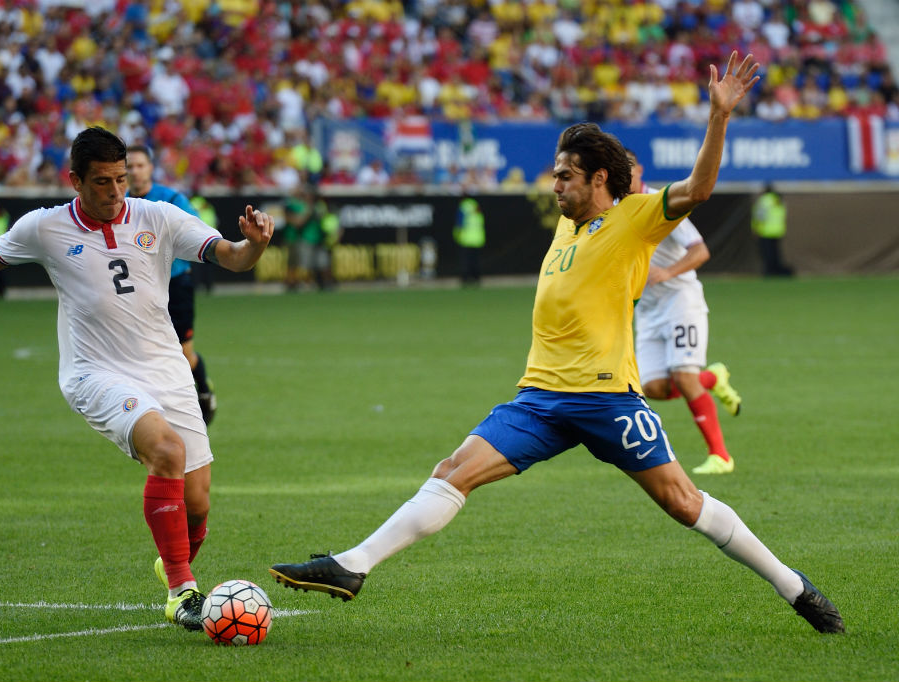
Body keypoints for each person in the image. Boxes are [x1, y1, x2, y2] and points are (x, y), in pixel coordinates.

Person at [269, 54, 844, 634]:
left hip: (605, 399)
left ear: (598, 180)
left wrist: (718, 117)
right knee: (453, 469)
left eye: (566, 174)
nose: (555, 183)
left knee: (683, 503)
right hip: (540, 398)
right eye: (556, 172)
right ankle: (353, 564)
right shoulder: (567, 225)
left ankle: (794, 587)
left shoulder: (635, 219)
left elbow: (699, 187)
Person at [0, 127, 275, 632]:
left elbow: (229, 256)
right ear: (75, 181)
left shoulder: (156, 216)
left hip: (166, 370)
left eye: (120, 179)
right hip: (95, 372)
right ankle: (182, 591)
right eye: (101, 182)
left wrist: (254, 247)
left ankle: (172, 559)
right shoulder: (44, 228)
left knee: (197, 500)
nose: (116, 192)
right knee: (166, 451)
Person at [627, 149, 742, 475]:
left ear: (640, 170)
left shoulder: (662, 204)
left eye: (629, 169)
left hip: (680, 301)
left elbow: (700, 250)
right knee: (653, 388)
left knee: (684, 377)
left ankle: (721, 456)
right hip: (648, 310)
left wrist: (667, 272)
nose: (625, 176)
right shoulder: (618, 210)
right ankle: (713, 378)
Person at [126, 145, 218, 424]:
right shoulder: (119, 204)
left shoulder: (171, 199)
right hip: (141, 288)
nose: (134, 171)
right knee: (144, 351)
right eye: (129, 166)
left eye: (140, 165)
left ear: (151, 168)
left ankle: (203, 390)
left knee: (182, 352)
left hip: (175, 282)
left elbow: (196, 231)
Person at [752, 184, 793, 277]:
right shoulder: (779, 200)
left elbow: (759, 216)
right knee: (776, 253)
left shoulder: (764, 200)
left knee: (767, 253)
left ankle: (770, 271)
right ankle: (777, 270)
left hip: (765, 231)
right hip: (778, 231)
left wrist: (755, 228)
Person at [453, 193, 485, 286]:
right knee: (476, 261)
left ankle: (465, 279)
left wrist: (456, 235)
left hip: (466, 238)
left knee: (466, 261)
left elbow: (459, 223)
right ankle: (476, 278)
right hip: (478, 238)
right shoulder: (475, 205)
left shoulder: (463, 207)